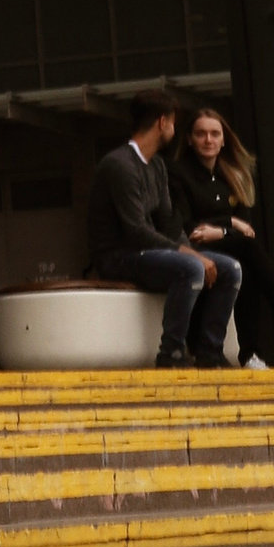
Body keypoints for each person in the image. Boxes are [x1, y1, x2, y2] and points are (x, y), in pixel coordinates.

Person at [167, 106, 274, 366]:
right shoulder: (178, 174)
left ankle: (251, 355)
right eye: (201, 134)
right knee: (247, 249)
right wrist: (227, 223)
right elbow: (191, 229)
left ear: (224, 140)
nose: (208, 140)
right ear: (189, 138)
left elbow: (246, 227)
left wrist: (221, 230)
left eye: (214, 134)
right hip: (190, 251)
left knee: (247, 263)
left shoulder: (232, 177)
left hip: (228, 250)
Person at [87, 88, 242, 367]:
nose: (174, 129)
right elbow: (135, 231)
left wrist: (193, 250)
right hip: (119, 255)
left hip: (149, 251)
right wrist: (192, 256)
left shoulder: (157, 166)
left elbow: (170, 223)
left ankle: (210, 352)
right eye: (172, 122)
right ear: (162, 122)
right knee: (192, 267)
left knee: (230, 269)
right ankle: (171, 353)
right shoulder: (120, 165)